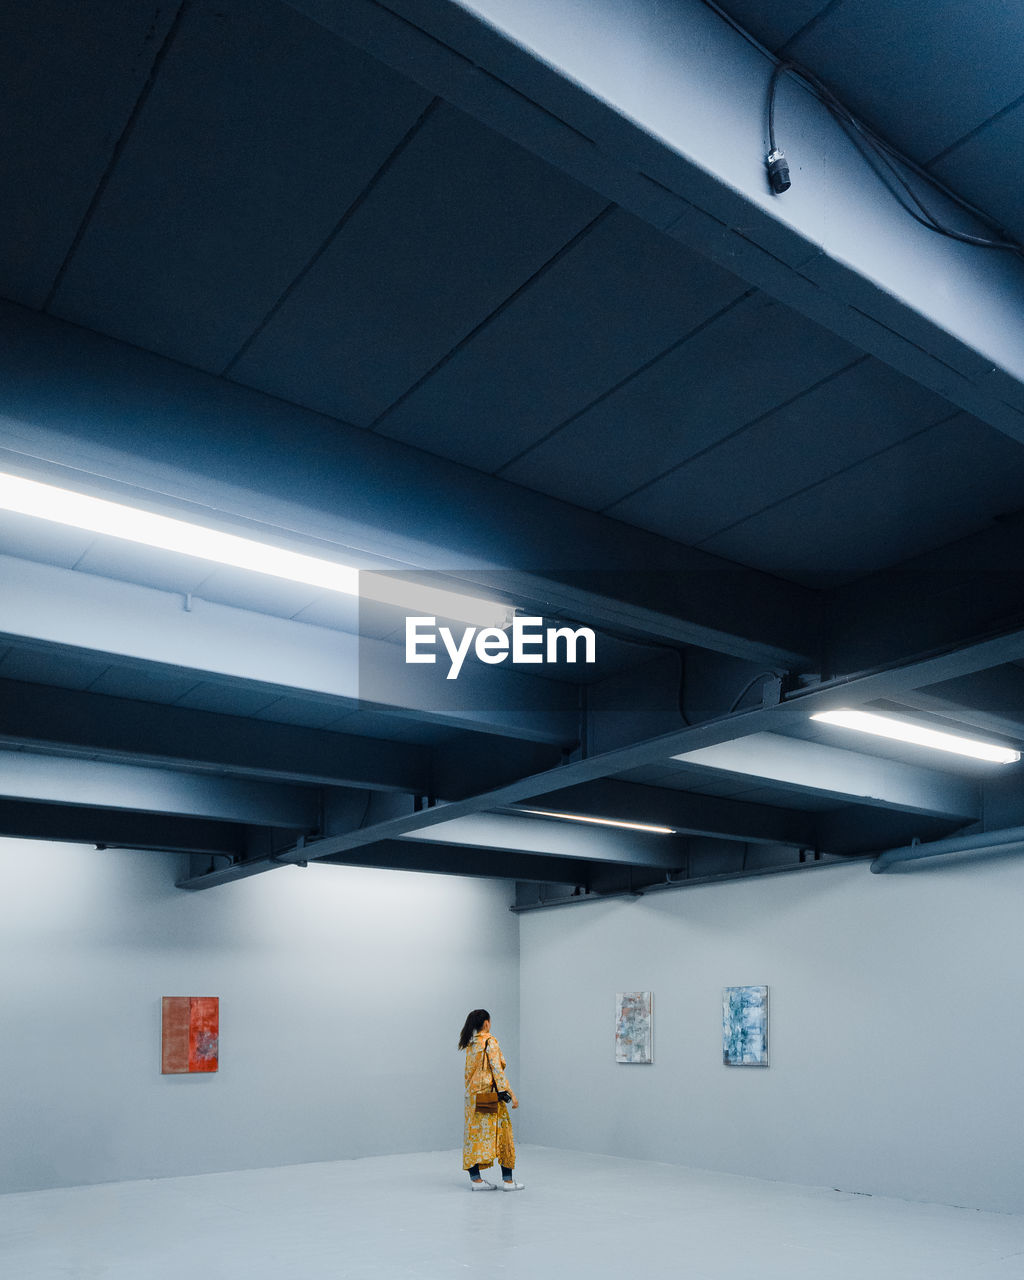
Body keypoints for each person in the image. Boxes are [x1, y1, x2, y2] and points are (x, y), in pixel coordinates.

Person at [458, 1008, 524, 1191]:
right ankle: (508, 1181)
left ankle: (476, 1180)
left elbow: (468, 1074)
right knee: (503, 1134)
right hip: (490, 1096)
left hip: (473, 1097)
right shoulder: (490, 1042)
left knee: (474, 1136)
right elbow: (497, 1070)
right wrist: (509, 1094)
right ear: (486, 1023)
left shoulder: (471, 1045)